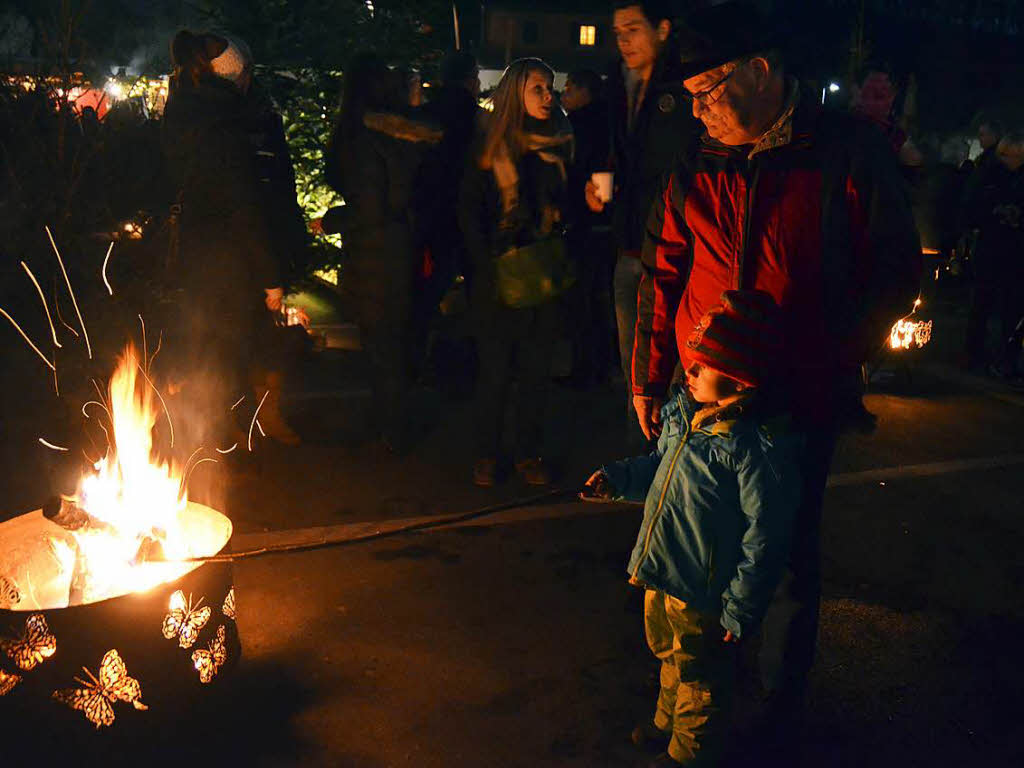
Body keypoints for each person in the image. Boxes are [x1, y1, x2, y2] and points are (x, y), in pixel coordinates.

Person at [629, 1, 921, 750]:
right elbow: (664, 271)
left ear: (762, 71)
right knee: (692, 550)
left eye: (708, 90)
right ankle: (699, 696)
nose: (698, 111)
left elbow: (891, 270)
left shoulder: (846, 151)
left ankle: (778, 711)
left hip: (799, 395)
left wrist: (821, 353)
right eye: (688, 96)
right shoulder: (696, 158)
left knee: (784, 552)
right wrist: (647, 374)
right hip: (702, 390)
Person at [583, 291, 801, 768]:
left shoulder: (752, 450)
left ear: (741, 381)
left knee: (700, 676)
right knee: (669, 657)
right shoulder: (686, 416)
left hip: (702, 590)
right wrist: (618, 481)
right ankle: (667, 723)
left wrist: (740, 607)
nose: (690, 371)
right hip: (662, 570)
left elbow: (765, 537)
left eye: (703, 365)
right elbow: (660, 471)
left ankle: (688, 754)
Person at [162, 31, 290, 450]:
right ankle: (223, 439)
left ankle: (204, 432)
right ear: (237, 76)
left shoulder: (182, 111)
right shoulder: (226, 125)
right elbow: (244, 207)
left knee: (205, 343)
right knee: (230, 347)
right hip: (230, 261)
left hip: (195, 256)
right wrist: (271, 277)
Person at [584, 1, 699, 449]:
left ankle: (673, 464)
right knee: (634, 362)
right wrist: (602, 186)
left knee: (673, 366)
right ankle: (642, 456)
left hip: (673, 249)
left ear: (663, 29)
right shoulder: (619, 87)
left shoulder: (684, 85)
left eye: (633, 29)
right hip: (628, 243)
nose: (623, 40)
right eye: (617, 32)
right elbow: (616, 155)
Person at [458, 58, 573, 487]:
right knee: (496, 370)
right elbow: (468, 210)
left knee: (535, 370)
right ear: (514, 94)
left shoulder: (562, 141)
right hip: (499, 274)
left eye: (550, 88)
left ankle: (527, 452)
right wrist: (485, 263)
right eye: (537, 88)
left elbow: (575, 199)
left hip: (544, 271)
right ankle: (487, 454)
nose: (548, 96)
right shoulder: (489, 146)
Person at [324, 53, 442, 450]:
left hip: (375, 252)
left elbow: (368, 208)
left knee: (382, 346)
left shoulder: (364, 137)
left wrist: (330, 220)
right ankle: (393, 425)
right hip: (403, 246)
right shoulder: (406, 134)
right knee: (395, 341)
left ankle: (390, 430)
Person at [562, 68, 614, 387]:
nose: (563, 94)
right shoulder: (605, 122)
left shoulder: (582, 125)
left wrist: (595, 207)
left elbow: (593, 168)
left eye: (569, 88)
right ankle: (599, 365)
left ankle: (588, 368)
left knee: (586, 298)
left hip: (587, 221)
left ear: (586, 92)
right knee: (596, 298)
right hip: (599, 222)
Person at [962, 113, 1009, 371]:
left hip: (993, 241)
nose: (980, 139)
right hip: (990, 239)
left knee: (985, 299)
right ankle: (980, 352)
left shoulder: (993, 166)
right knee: (986, 300)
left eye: (983, 135)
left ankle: (978, 353)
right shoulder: (987, 164)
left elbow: (977, 199)